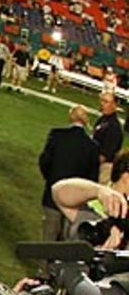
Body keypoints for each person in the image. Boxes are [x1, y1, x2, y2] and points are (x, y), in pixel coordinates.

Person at [39, 105, 99, 242]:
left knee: (48, 237)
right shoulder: (92, 146)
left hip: (52, 195)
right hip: (75, 201)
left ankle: (45, 258)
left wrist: (50, 179)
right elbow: (92, 179)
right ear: (85, 120)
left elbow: (44, 161)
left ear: (71, 117)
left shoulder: (57, 135)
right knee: (69, 239)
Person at [93, 93, 124, 186]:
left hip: (104, 167)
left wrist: (89, 164)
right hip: (97, 163)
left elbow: (106, 154)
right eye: (102, 100)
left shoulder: (114, 127)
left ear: (114, 105)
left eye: (106, 102)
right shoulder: (103, 119)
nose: (102, 104)